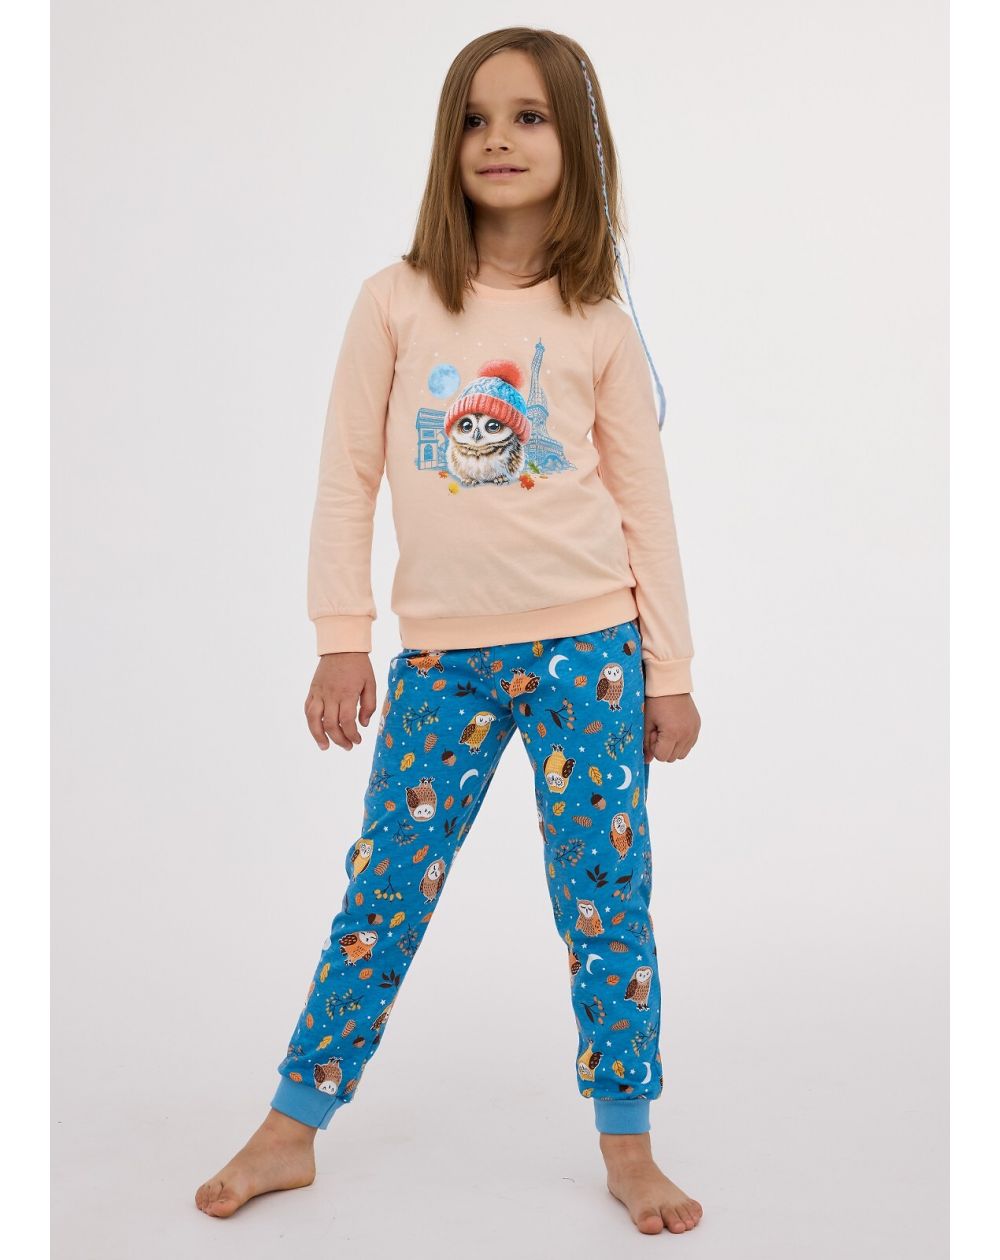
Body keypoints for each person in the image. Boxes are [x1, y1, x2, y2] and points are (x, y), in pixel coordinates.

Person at [195, 26, 703, 1236]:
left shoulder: (597, 323)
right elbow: (346, 476)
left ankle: (627, 1142)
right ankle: (291, 1124)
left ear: (576, 143)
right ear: (447, 142)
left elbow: (646, 506)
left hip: (591, 653)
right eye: (475, 118)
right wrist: (340, 635)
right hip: (442, 661)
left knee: (605, 903)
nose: (498, 140)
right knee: (384, 889)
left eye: (528, 117)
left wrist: (669, 669)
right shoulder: (396, 300)